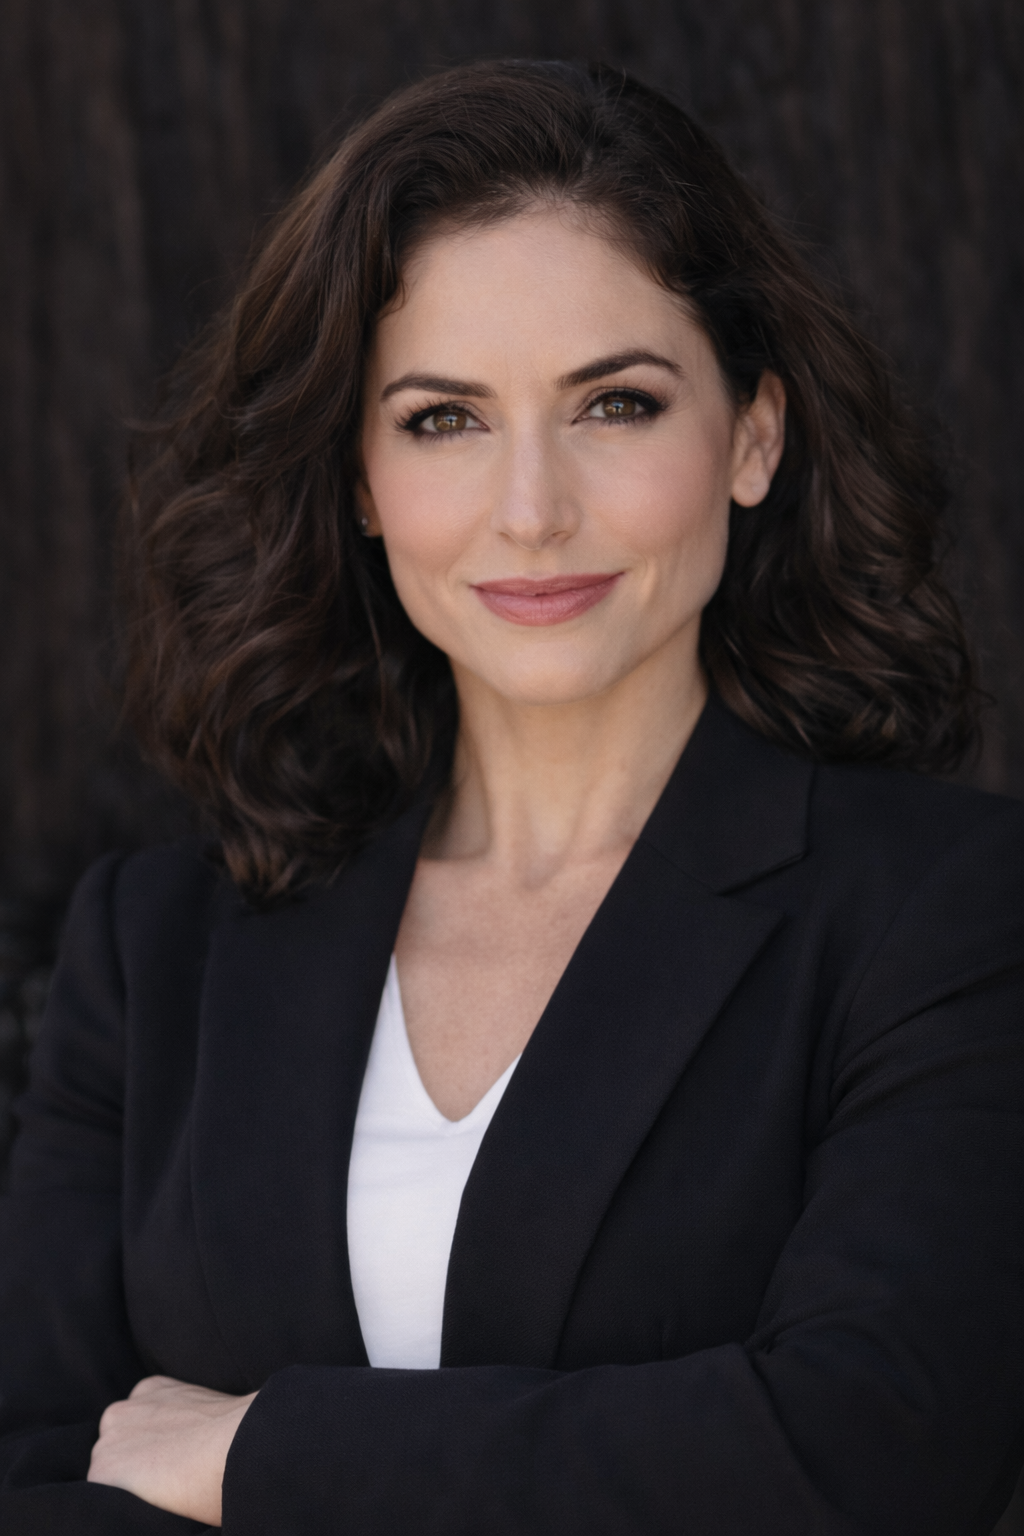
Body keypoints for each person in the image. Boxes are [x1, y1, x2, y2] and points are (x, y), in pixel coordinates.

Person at [0, 57, 1022, 1536]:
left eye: (613, 403)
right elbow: (33, 1475)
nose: (531, 510)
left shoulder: (948, 914)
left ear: (753, 435)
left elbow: (867, 1456)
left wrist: (261, 1457)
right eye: (441, 419)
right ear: (356, 478)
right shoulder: (158, 947)